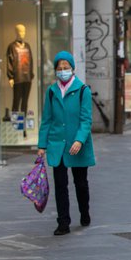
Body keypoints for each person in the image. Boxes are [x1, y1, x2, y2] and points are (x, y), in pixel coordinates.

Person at [36, 51, 95, 236]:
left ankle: (84, 212)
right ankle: (63, 222)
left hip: (77, 145)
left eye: (66, 68)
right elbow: (47, 119)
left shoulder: (83, 90)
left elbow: (86, 120)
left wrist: (79, 140)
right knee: (60, 185)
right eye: (59, 68)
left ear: (72, 69)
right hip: (57, 145)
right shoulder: (51, 91)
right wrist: (41, 145)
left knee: (81, 183)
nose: (63, 71)